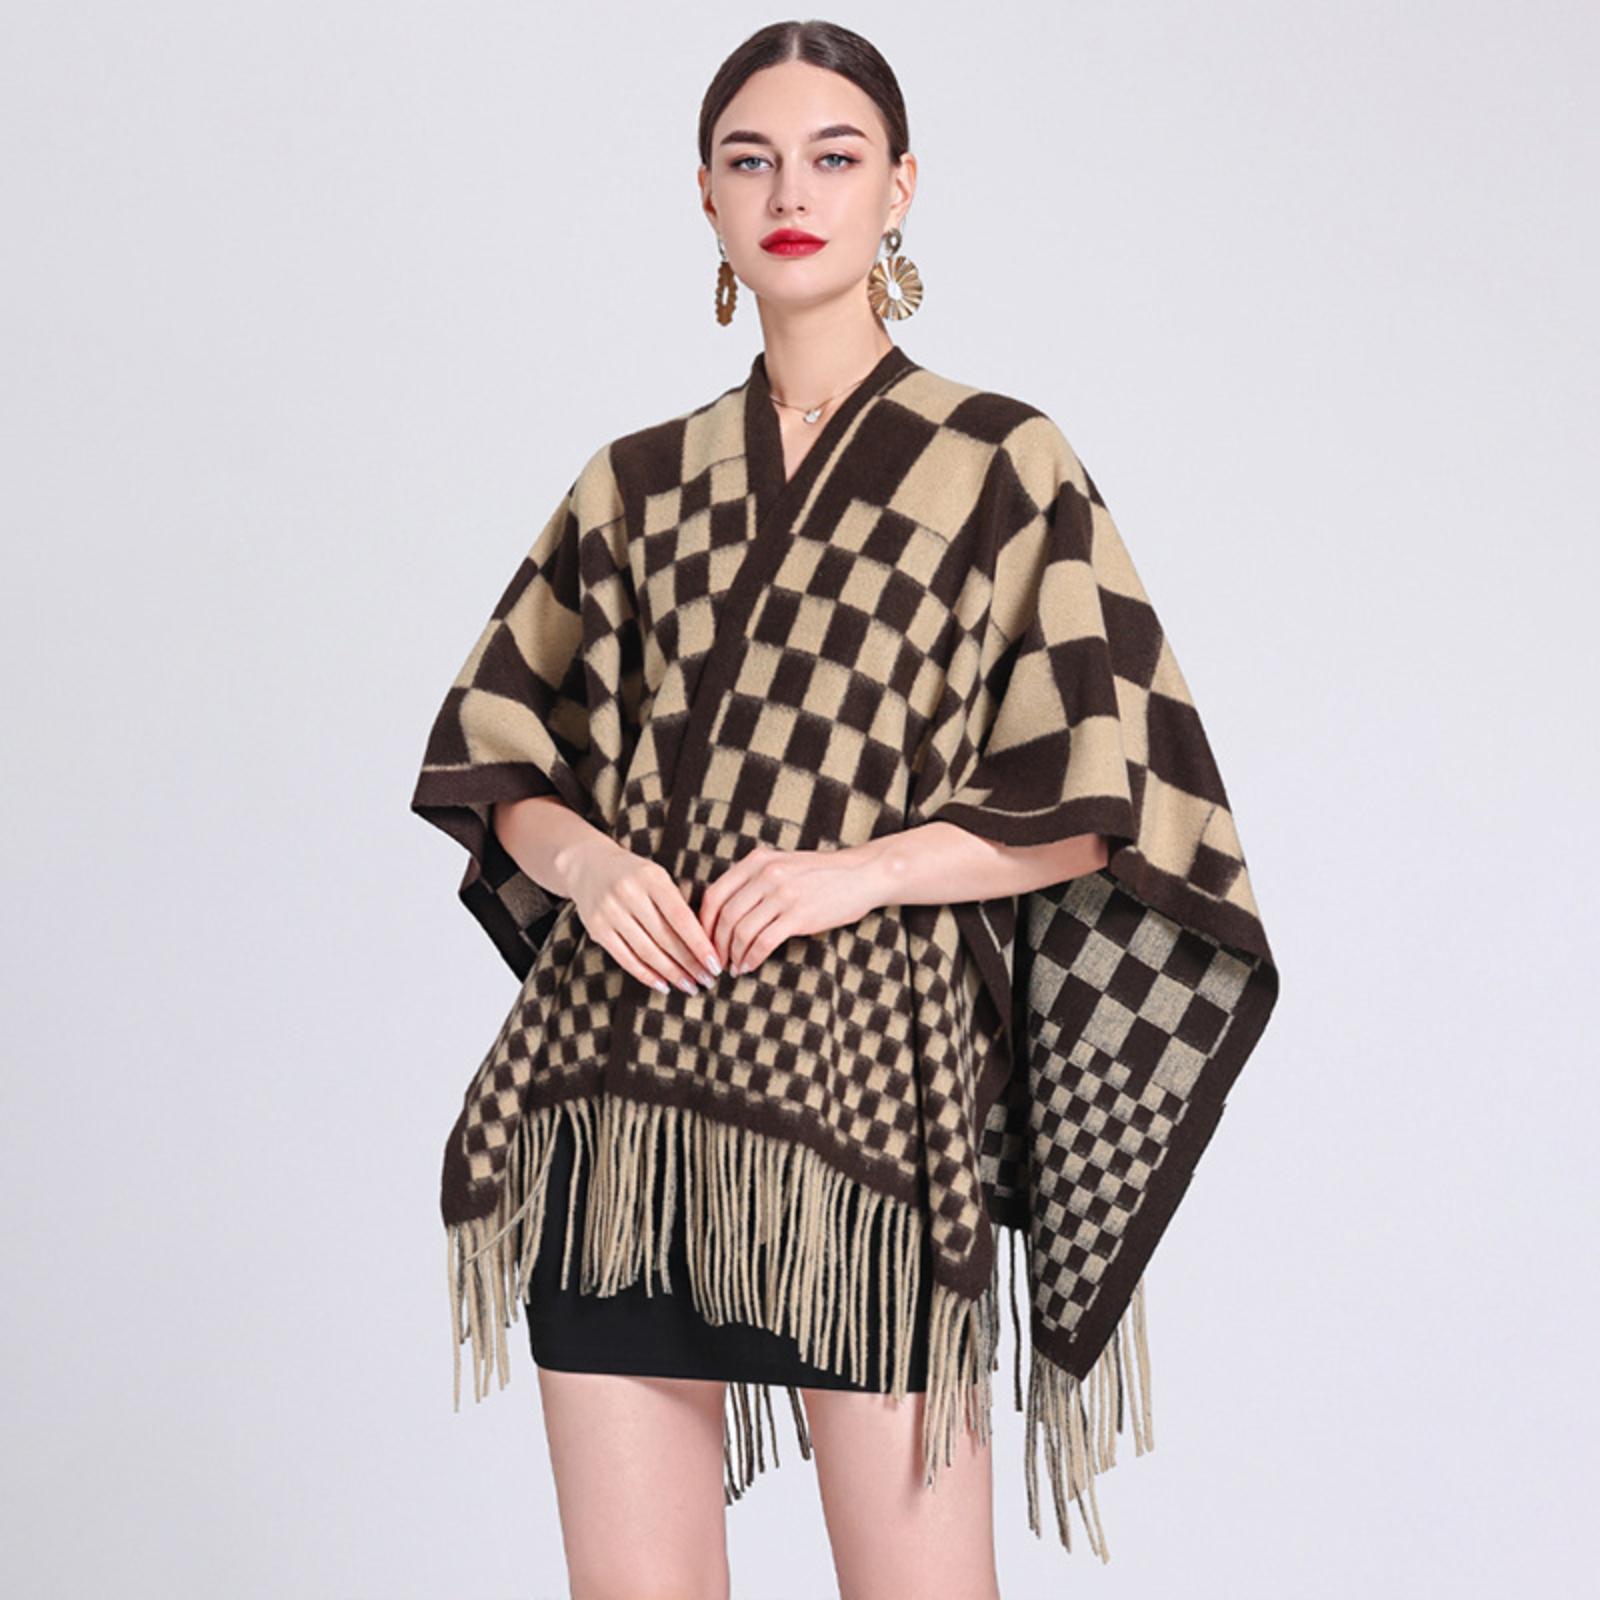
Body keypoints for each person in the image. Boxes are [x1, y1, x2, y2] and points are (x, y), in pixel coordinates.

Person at [411, 18, 1280, 1600]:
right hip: (620, 1101)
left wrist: (859, 873)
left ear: (901, 188)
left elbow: (1099, 791)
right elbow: (499, 746)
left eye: (833, 156)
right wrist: (589, 864)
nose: (790, 192)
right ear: (706, 197)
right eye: (750, 160)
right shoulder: (632, 482)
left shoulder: (1003, 463)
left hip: (869, 1109)